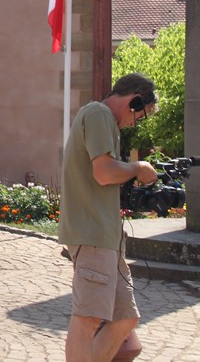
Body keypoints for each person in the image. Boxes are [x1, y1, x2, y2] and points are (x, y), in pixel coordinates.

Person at [59, 73, 158, 361]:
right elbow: (104, 172)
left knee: (125, 318)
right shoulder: (99, 113)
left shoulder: (105, 122)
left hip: (105, 237)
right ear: (134, 100)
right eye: (141, 113)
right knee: (88, 318)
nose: (137, 121)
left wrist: (131, 174)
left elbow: (106, 173)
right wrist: (137, 167)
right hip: (92, 234)